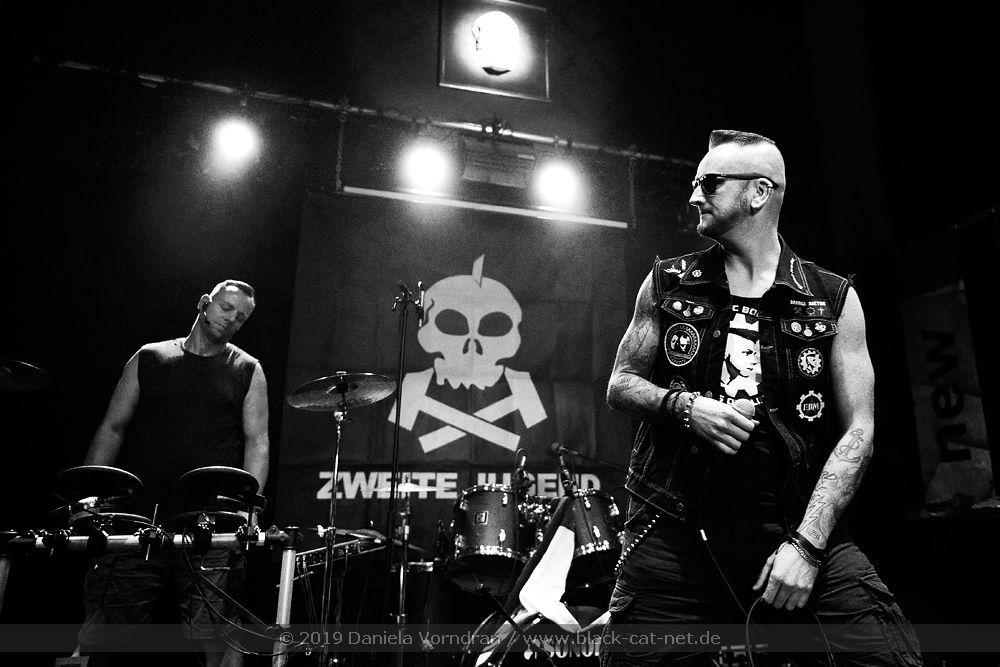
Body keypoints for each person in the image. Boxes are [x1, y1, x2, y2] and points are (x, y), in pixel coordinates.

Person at [600, 130, 922, 666]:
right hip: (674, 534)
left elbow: (859, 431)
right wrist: (684, 407)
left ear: (758, 193)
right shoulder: (668, 283)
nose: (694, 195)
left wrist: (808, 546)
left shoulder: (832, 298)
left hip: (792, 527)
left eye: (709, 183)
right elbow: (620, 383)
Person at [78, 279, 269, 667]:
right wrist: (90, 490)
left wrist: (248, 508)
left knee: (217, 638)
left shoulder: (248, 369)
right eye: (226, 308)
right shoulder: (150, 357)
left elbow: (258, 443)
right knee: (106, 635)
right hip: (137, 518)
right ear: (204, 303)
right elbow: (112, 427)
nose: (232, 319)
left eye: (241, 317)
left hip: (211, 524)